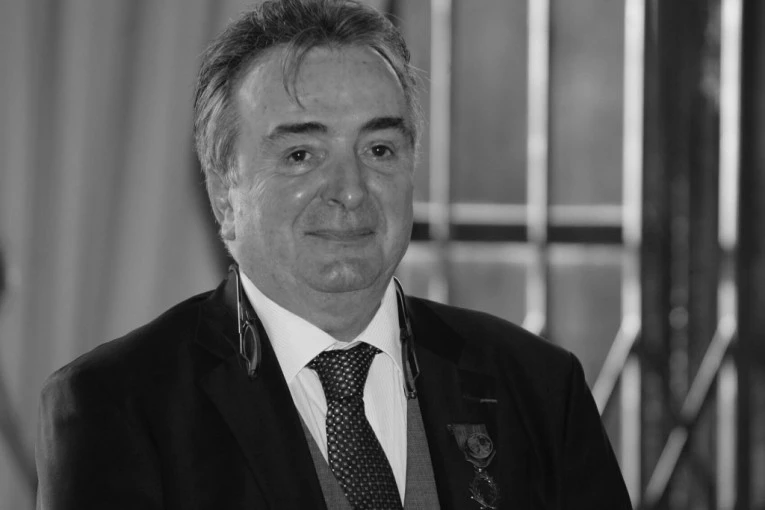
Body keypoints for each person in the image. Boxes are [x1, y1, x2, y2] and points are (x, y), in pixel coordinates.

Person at [35, 0, 632, 508]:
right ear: (223, 193)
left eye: (379, 149)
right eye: (301, 155)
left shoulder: (538, 388)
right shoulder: (118, 406)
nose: (350, 191)